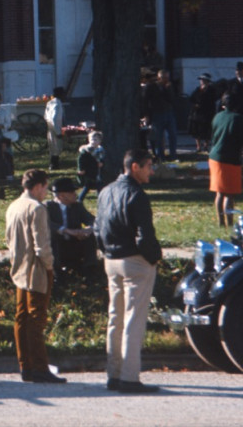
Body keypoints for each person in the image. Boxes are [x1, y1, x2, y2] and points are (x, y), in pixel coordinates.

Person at [95, 148, 162, 394]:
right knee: (134, 320)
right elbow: (145, 235)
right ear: (135, 166)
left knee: (116, 318)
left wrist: (105, 251)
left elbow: (97, 228)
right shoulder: (137, 194)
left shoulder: (105, 191)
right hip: (135, 261)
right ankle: (129, 377)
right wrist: (154, 258)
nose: (151, 171)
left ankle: (113, 374)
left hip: (111, 259)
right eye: (148, 166)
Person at [5, 168, 65, 383]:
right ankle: (40, 367)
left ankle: (26, 366)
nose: (46, 192)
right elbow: (42, 246)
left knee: (21, 318)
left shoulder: (14, 206)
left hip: (18, 268)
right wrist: (50, 267)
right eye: (45, 187)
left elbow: (8, 238)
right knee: (36, 319)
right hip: (36, 270)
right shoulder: (37, 209)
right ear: (38, 186)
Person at [209, 92, 243, 228]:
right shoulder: (238, 118)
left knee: (219, 192)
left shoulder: (217, 117)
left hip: (215, 157)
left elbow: (213, 137)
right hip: (230, 158)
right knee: (230, 194)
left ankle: (221, 223)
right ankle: (230, 223)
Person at [46, 177, 98, 278]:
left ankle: (89, 270)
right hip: (58, 245)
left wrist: (88, 229)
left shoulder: (77, 206)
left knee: (90, 237)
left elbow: (91, 219)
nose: (75, 194)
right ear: (61, 195)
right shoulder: (48, 207)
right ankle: (57, 275)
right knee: (53, 239)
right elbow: (47, 224)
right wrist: (67, 231)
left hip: (75, 242)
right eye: (72, 192)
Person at [143, 70, 178, 161]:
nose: (166, 80)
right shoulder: (151, 87)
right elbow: (146, 101)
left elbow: (172, 100)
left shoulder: (169, 86)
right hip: (157, 113)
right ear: (159, 78)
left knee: (173, 134)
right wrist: (146, 114)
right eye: (164, 78)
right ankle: (161, 156)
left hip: (169, 112)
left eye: (167, 78)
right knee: (158, 136)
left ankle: (173, 155)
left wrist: (168, 89)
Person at [187, 73, 219, 152]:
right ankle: (198, 146)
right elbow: (192, 99)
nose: (202, 81)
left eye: (204, 80)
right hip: (198, 112)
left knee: (207, 130)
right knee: (197, 130)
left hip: (208, 112)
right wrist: (195, 105)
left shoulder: (211, 90)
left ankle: (206, 146)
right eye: (201, 80)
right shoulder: (198, 89)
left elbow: (213, 99)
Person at [76, 130, 106, 203]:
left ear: (99, 141)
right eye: (91, 139)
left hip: (96, 170)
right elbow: (80, 160)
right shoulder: (86, 150)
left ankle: (101, 199)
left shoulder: (100, 150)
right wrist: (81, 169)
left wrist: (101, 162)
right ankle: (79, 199)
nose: (93, 141)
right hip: (88, 171)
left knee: (99, 185)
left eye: (95, 140)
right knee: (87, 185)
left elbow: (102, 158)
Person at [44, 87, 65, 170]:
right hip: (55, 127)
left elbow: (46, 116)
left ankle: (54, 164)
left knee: (52, 146)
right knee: (56, 146)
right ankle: (54, 165)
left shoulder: (50, 102)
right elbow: (54, 118)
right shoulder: (57, 104)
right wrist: (58, 132)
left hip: (50, 126)